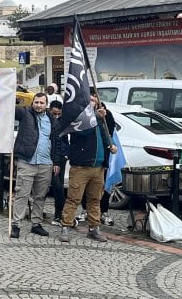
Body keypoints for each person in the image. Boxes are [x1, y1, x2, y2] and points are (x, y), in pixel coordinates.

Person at [55, 92, 116, 243]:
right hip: (81, 166)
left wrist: (110, 145)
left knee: (95, 199)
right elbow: (84, 131)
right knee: (73, 198)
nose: (93, 99)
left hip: (98, 166)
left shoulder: (99, 117)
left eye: (95, 97)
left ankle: (94, 228)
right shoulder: (78, 117)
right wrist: (95, 115)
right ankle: (65, 227)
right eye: (90, 97)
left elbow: (106, 133)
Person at [10, 93, 56, 238]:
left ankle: (36, 224)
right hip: (27, 162)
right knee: (22, 195)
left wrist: (57, 161)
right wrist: (12, 99)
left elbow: (56, 140)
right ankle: (16, 224)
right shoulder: (25, 114)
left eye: (42, 103)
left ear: (46, 104)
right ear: (32, 103)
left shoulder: (52, 119)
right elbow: (10, 110)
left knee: (40, 196)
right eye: (36, 102)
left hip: (45, 163)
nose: (39, 105)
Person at [47, 99, 66, 224]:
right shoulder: (47, 121)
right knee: (53, 187)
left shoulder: (61, 122)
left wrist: (59, 161)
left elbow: (61, 143)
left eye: (59, 114)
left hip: (59, 158)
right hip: (49, 157)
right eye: (54, 114)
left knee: (58, 187)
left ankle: (58, 214)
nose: (57, 116)